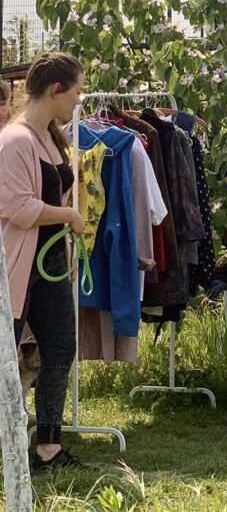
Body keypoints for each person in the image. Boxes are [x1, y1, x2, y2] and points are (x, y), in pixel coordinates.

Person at [0, 52, 87, 473]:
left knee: (60, 348)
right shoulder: (13, 141)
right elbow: (17, 207)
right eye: (75, 90)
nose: (78, 98)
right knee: (3, 356)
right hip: (16, 268)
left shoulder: (52, 138)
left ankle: (47, 448)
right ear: (55, 90)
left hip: (49, 264)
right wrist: (69, 217)